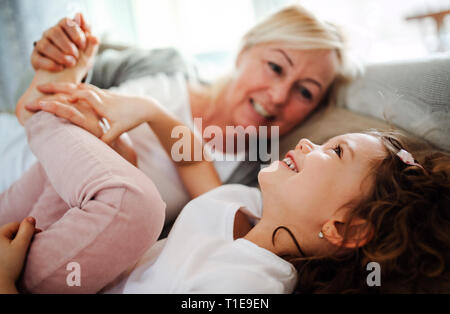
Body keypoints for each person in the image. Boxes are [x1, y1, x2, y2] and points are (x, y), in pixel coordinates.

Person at [4, 65, 450, 292]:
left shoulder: (247, 286)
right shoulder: (247, 204)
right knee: (118, 152)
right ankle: (51, 116)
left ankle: (41, 114)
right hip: (76, 262)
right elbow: (195, 163)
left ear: (346, 229)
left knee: (135, 203)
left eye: (335, 151)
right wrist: (150, 110)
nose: (309, 145)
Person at [25, 5, 357, 225]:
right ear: (243, 52)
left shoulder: (260, 175)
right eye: (275, 66)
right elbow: (47, 91)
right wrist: (53, 55)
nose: (279, 95)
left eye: (305, 92)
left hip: (43, 224)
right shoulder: (166, 66)